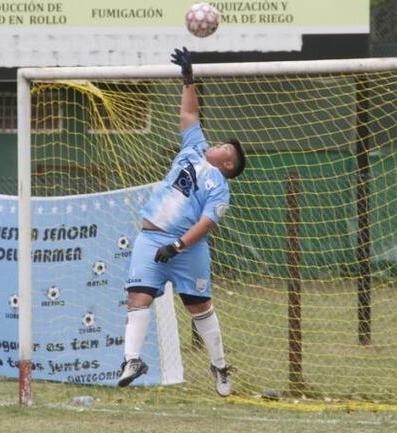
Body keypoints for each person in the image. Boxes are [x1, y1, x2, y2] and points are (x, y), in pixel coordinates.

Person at [117, 47, 246, 396]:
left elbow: (206, 223)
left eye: (223, 148)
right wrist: (189, 78)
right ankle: (131, 360)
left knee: (199, 306)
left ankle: (219, 366)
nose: (216, 144)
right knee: (138, 296)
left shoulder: (219, 187)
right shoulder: (193, 148)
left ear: (227, 164)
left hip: (185, 246)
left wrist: (177, 246)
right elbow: (189, 113)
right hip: (150, 237)